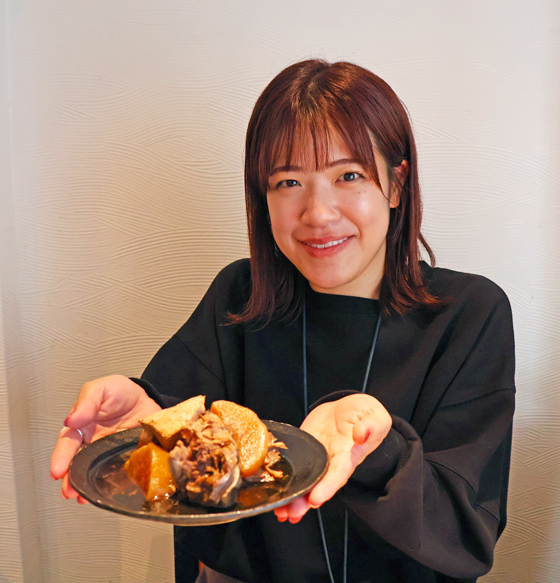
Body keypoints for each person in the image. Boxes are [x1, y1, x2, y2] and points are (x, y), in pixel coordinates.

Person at [50, 59, 515, 583]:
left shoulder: (469, 315)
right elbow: (175, 414)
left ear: (395, 184)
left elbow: (465, 532)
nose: (318, 213)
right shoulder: (240, 296)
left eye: (348, 175)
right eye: (289, 181)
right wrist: (148, 423)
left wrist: (381, 450)